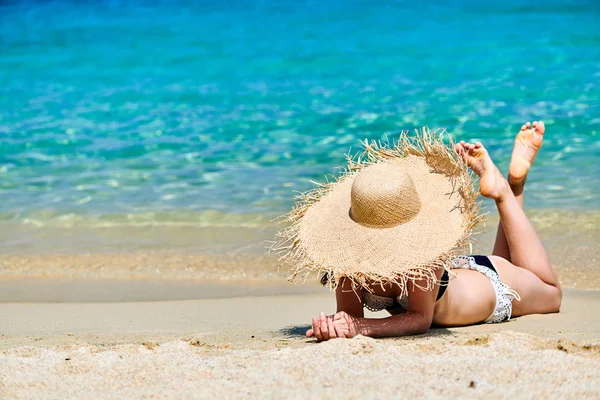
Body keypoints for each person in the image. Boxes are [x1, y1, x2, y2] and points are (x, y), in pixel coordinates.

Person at [294, 121, 562, 341]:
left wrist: (359, 328)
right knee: (516, 263)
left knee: (552, 294)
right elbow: (350, 320)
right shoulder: (347, 268)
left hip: (495, 287)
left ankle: (508, 189)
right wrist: (335, 329)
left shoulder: (423, 257)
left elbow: (420, 320)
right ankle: (512, 185)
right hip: (467, 280)